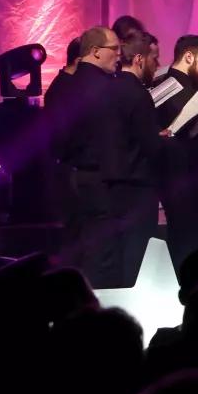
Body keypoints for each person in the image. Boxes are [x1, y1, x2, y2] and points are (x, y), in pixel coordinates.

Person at [49, 26, 122, 286]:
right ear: (95, 51)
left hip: (70, 176)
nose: (119, 55)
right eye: (114, 49)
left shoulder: (62, 87)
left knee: (74, 246)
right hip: (97, 178)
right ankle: (94, 311)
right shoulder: (106, 88)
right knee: (100, 250)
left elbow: (57, 138)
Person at [108, 31, 169, 286]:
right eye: (155, 59)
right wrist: (163, 139)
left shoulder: (110, 88)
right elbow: (149, 144)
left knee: (117, 253)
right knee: (137, 253)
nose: (157, 65)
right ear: (140, 60)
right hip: (138, 185)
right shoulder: (138, 93)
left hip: (113, 182)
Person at [154, 35, 198, 272]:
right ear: (188, 56)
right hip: (177, 176)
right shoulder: (165, 85)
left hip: (194, 175)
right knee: (185, 238)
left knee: (196, 237)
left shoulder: (194, 86)